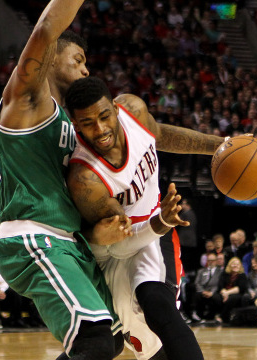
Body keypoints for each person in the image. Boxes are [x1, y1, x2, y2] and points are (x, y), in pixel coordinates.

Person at [0, 2, 131, 358]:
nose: (86, 70)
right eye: (79, 59)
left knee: (112, 341)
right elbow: (44, 29)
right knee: (94, 340)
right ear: (52, 55)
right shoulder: (24, 102)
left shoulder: (69, 122)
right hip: (34, 237)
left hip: (69, 241)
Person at [66, 76, 226, 359]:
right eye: (88, 123)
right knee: (115, 343)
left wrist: (222, 146)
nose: (100, 129)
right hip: (116, 249)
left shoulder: (133, 110)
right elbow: (116, 244)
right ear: (76, 125)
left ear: (116, 109)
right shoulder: (86, 178)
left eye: (104, 116)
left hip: (153, 238)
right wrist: (161, 222)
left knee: (155, 302)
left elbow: (161, 135)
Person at [191, 253, 222, 322]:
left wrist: (211, 292)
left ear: (216, 261)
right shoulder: (201, 271)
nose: (211, 262)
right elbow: (197, 283)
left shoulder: (220, 272)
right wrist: (203, 291)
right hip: (202, 291)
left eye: (213, 260)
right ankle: (198, 316)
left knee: (217, 297)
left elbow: (219, 284)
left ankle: (214, 315)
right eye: (209, 260)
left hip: (213, 292)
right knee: (196, 294)